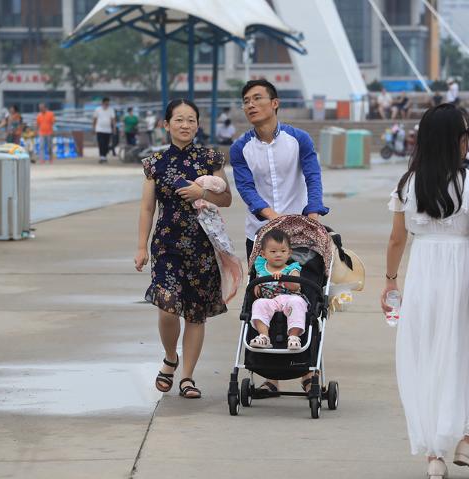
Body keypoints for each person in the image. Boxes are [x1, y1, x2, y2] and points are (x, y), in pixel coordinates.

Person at [382, 103, 469, 479]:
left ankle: (434, 456)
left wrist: (390, 280)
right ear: (459, 140)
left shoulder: (407, 184)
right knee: (467, 354)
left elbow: (398, 239)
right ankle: (466, 439)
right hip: (465, 272)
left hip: (424, 272)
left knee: (426, 356)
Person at [230, 79, 329, 397]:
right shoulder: (240, 148)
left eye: (257, 98)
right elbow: (245, 188)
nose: (250, 105)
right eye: (246, 100)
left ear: (275, 103)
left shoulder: (298, 139)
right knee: (265, 298)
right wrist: (269, 215)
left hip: (300, 238)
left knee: (302, 298)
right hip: (259, 236)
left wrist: (313, 210)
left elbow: (313, 174)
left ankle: (306, 371)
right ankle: (268, 374)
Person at [134, 98, 232, 399]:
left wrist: (201, 192)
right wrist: (141, 246)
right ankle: (170, 357)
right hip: (167, 243)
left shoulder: (211, 158)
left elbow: (226, 199)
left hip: (203, 245)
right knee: (166, 306)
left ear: (198, 125)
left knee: (195, 314)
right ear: (166, 125)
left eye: (191, 119)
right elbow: (148, 208)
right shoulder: (155, 163)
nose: (185, 125)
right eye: (179, 119)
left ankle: (187, 377)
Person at [248, 229, 307, 351]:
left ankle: (294, 336)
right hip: (270, 301)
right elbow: (258, 279)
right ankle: (264, 336)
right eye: (273, 251)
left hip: (289, 299)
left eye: (283, 251)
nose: (278, 254)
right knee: (258, 303)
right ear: (264, 254)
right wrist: (257, 284)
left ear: (289, 253)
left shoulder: (292, 268)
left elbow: (296, 286)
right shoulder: (260, 266)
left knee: (297, 302)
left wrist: (285, 279)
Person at [93, 97, 115, 164]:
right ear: (102, 103)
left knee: (106, 144)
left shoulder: (111, 110)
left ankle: (104, 156)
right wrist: (94, 128)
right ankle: (101, 156)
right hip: (99, 129)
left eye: (108, 104)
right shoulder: (98, 109)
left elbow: (113, 119)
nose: (106, 105)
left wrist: (114, 128)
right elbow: (95, 119)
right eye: (105, 104)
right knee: (101, 143)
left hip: (108, 130)